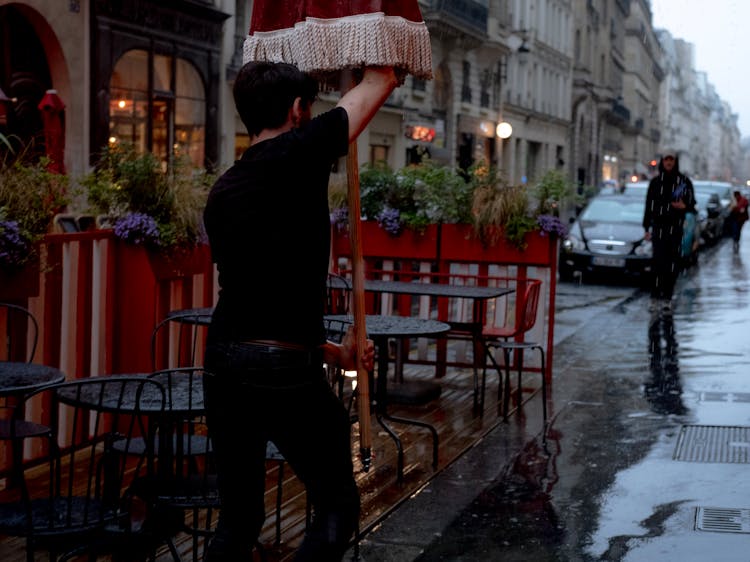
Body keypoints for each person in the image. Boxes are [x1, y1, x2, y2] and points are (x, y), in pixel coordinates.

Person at [202, 61, 394, 561]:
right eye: (308, 109)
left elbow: (261, 301)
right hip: (283, 367)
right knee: (336, 504)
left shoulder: (223, 188)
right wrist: (368, 37)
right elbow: (381, 82)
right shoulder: (299, 151)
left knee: (239, 516)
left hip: (225, 358)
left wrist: (334, 352)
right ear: (296, 111)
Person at [642, 148, 695, 312]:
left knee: (672, 265)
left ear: (675, 162)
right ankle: (655, 297)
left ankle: (667, 298)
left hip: (676, 228)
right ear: (662, 162)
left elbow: (692, 203)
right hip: (659, 228)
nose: (669, 163)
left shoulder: (683, 182)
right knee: (658, 264)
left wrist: (684, 206)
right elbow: (649, 206)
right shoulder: (655, 183)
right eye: (666, 160)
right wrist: (646, 227)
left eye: (671, 160)